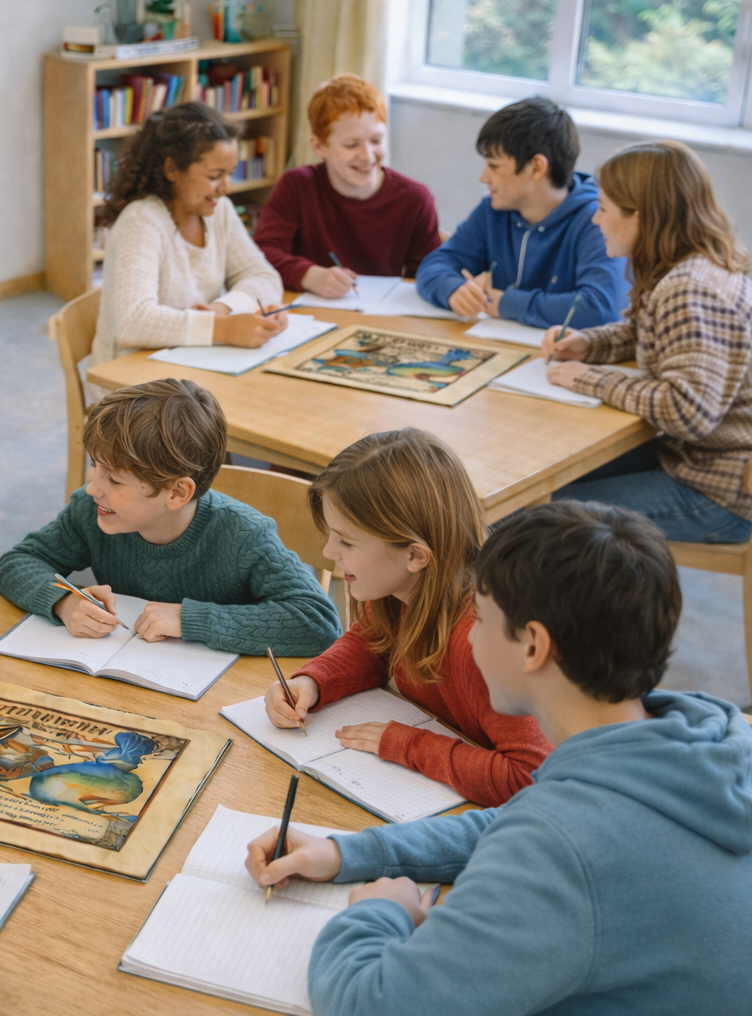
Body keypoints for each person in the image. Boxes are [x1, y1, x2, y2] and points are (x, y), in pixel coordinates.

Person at [247, 501, 752, 1016]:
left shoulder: (562, 849)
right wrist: (346, 854)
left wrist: (379, 910)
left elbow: (370, 1004)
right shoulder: (700, 741)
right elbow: (518, 819)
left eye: (482, 617)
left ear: (533, 647)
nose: (470, 634)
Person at [263, 429, 551, 807]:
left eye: (346, 541)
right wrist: (313, 682)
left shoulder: (484, 641)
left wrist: (408, 744)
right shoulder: (399, 591)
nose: (328, 551)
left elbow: (529, 777)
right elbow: (371, 644)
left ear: (415, 556)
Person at [0, 379, 341, 657]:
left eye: (114, 479)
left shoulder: (244, 536)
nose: (92, 488)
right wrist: (62, 601)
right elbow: (16, 562)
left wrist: (191, 619)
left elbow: (319, 622)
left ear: (177, 493)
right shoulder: (91, 511)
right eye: (94, 464)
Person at [544, 140, 752, 543]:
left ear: (640, 217)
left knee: (540, 517)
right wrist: (588, 344)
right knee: (548, 480)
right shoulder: (683, 266)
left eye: (604, 208)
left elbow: (687, 410)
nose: (595, 219)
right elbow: (643, 333)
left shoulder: (692, 290)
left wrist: (586, 378)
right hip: (689, 459)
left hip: (717, 491)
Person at [90, 101, 287, 402]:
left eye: (230, 173)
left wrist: (224, 308)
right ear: (172, 169)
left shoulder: (219, 212)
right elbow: (134, 322)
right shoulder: (141, 222)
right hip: (132, 394)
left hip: (190, 371)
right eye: (214, 175)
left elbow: (263, 275)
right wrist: (224, 329)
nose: (226, 186)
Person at [415, 96, 629, 328]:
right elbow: (436, 263)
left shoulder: (596, 220)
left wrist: (509, 303)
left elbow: (600, 308)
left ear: (537, 167)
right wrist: (452, 289)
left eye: (494, 166)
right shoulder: (493, 211)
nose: (483, 177)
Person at [253, 75, 441, 297]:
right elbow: (261, 253)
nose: (367, 156)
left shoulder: (415, 199)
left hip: (381, 313)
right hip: (312, 310)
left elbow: (429, 275)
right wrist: (309, 275)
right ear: (319, 146)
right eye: (351, 145)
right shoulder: (298, 186)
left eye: (376, 140)